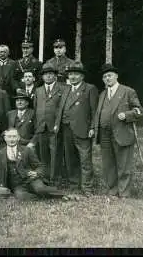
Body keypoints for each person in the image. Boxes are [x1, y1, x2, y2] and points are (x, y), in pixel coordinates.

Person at [93, 64, 143, 198]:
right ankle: (112, 190)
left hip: (122, 132)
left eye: (109, 75)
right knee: (108, 164)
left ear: (116, 76)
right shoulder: (103, 94)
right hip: (105, 134)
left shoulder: (128, 91)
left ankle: (124, 193)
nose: (107, 78)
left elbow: (139, 110)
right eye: (104, 77)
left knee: (123, 164)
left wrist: (127, 115)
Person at [54, 62, 98, 194]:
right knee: (70, 158)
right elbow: (60, 108)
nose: (72, 77)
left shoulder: (90, 89)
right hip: (66, 128)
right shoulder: (66, 89)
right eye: (71, 74)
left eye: (76, 74)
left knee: (85, 159)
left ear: (82, 76)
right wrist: (57, 124)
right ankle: (74, 185)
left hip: (82, 129)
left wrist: (92, 127)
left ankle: (87, 187)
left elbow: (94, 111)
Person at [0, 128, 65, 200]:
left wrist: (36, 173)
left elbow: (40, 166)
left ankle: (63, 195)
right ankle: (42, 197)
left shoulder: (27, 150)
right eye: (9, 137)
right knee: (21, 196)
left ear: (18, 138)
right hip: (17, 185)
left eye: (14, 136)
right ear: (5, 138)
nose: (12, 139)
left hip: (31, 179)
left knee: (40, 189)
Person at [34, 64, 67, 185]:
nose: (48, 76)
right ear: (42, 77)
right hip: (41, 127)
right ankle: (45, 178)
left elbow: (63, 108)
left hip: (55, 127)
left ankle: (55, 179)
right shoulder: (38, 90)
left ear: (55, 76)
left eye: (51, 74)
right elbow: (36, 107)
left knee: (55, 153)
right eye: (45, 74)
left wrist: (58, 124)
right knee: (43, 154)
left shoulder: (62, 88)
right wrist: (37, 125)